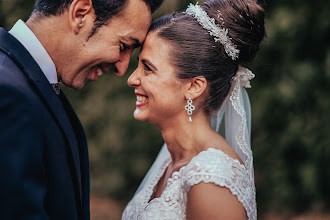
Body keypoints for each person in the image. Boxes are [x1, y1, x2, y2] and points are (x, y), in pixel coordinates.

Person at [0, 0, 163, 219]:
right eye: (123, 45)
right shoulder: (8, 92)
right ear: (80, 13)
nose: (122, 68)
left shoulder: (30, 82)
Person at [123, 0, 266, 219]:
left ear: (194, 86)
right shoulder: (169, 163)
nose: (132, 79)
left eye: (148, 69)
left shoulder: (213, 177)